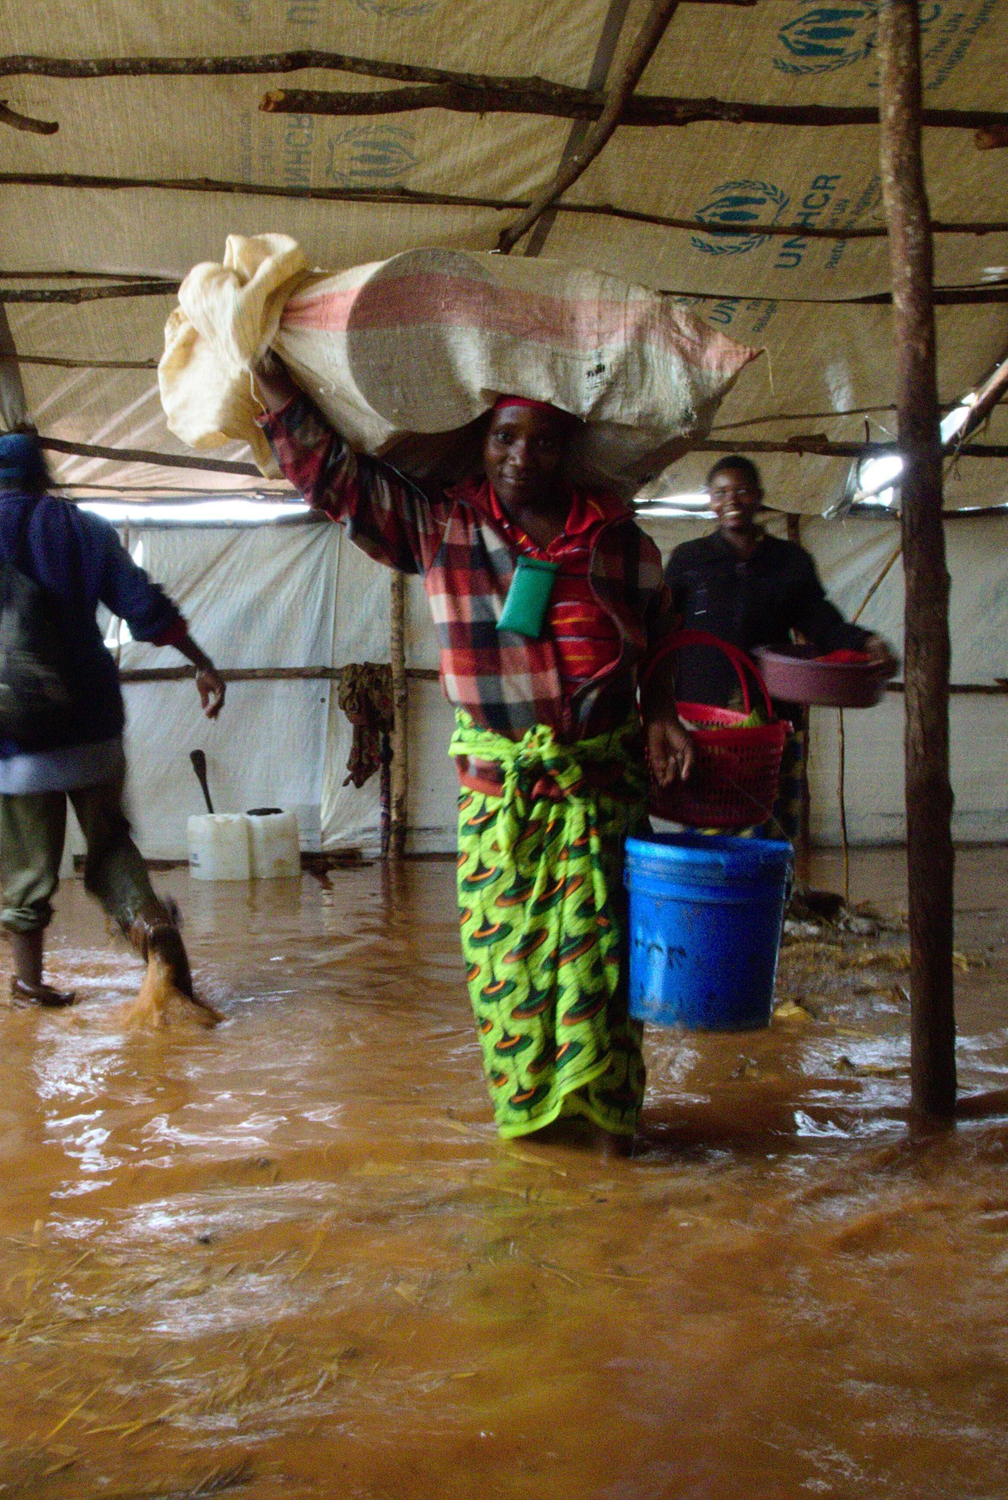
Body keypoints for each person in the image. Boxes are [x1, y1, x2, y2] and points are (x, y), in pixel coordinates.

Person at [250, 354, 694, 1154]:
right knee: (509, 973)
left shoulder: (621, 542)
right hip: (502, 802)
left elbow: (662, 634)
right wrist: (277, 388)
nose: (522, 456)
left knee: (605, 976)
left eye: (543, 441)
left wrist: (661, 712)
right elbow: (341, 484)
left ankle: (610, 1143)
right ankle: (535, 1141)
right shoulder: (443, 526)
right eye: (505, 438)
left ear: (569, 451)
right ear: (483, 443)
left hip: (601, 798)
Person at [0, 433, 227, 1013]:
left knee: (27, 869)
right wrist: (201, 662)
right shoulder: (86, 530)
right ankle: (151, 927)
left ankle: (29, 986)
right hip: (92, 727)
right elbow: (146, 609)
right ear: (45, 478)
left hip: (14, 739)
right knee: (110, 846)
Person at [662, 456, 893, 843]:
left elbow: (821, 623)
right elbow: (662, 625)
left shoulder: (789, 562)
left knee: (772, 825)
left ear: (759, 496)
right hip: (706, 717)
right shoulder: (690, 559)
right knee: (709, 823)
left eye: (742, 490)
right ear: (710, 500)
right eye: (721, 492)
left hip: (773, 715)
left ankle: (773, 884)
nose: (732, 500)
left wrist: (866, 642)